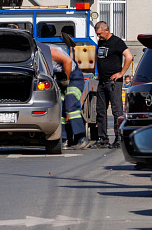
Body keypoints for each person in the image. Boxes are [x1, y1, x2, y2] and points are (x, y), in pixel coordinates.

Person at [92, 21, 134, 149]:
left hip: (113, 83)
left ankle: (119, 138)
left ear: (106, 30)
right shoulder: (101, 42)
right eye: (97, 34)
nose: (98, 36)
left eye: (99, 34)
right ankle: (103, 138)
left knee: (117, 111)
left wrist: (121, 73)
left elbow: (129, 56)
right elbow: (98, 57)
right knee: (100, 111)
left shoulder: (117, 42)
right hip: (102, 82)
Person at [51, 46, 90, 150]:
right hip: (58, 79)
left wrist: (66, 80)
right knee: (59, 108)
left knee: (70, 106)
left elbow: (67, 61)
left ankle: (80, 137)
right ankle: (62, 138)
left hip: (73, 78)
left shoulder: (51, 51)